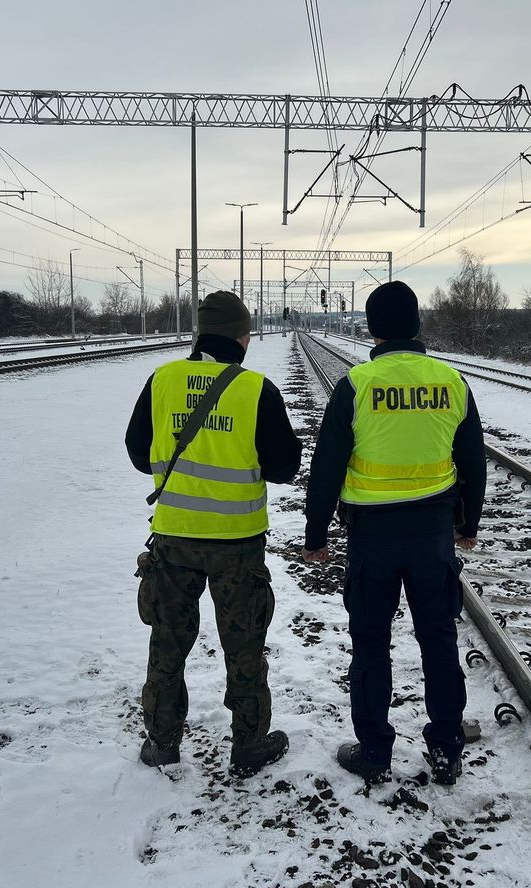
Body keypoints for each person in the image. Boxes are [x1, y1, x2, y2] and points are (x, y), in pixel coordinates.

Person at [302, 281, 486, 785]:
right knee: (438, 640)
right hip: (432, 536)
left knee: (370, 644)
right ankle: (447, 747)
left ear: (372, 328)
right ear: (417, 323)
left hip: (372, 538)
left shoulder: (357, 384)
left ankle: (375, 751)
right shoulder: (452, 382)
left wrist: (316, 534)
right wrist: (468, 523)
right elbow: (473, 460)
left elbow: (326, 469)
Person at [125, 290, 302, 777]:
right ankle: (248, 743)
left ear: (200, 334)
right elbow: (286, 466)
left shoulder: (161, 381)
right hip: (237, 545)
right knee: (243, 645)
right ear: (242, 337)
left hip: (173, 539)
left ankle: (162, 742)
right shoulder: (255, 390)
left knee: (167, 640)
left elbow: (138, 453)